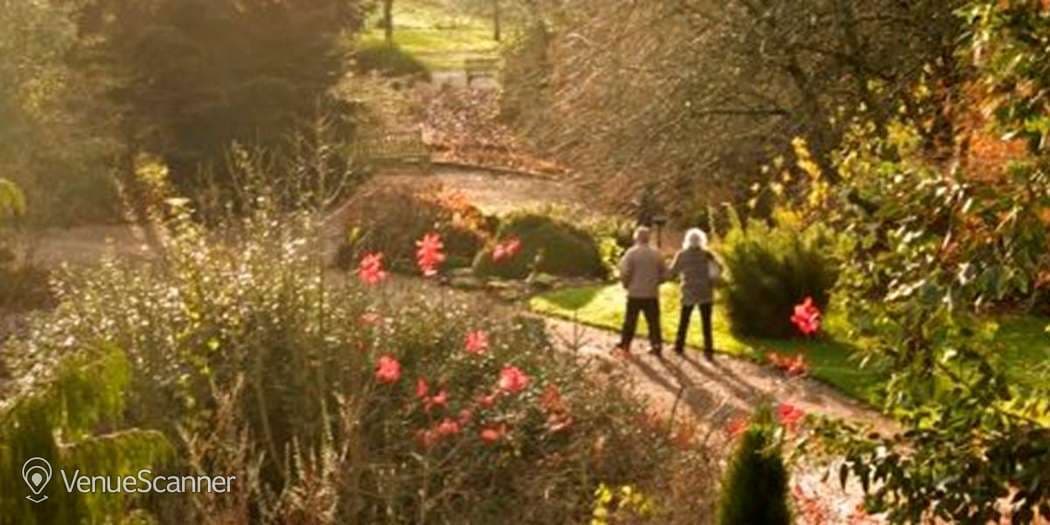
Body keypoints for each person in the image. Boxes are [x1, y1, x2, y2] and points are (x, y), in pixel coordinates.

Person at [668, 228, 721, 359]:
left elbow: (673, 271)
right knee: (706, 323)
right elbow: (720, 268)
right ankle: (708, 351)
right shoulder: (707, 254)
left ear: (687, 240)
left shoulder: (682, 254)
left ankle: (679, 346)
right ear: (702, 240)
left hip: (689, 291)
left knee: (684, 320)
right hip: (705, 291)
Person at [616, 226, 667, 356]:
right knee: (653, 321)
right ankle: (656, 345)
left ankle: (625, 344)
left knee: (630, 321)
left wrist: (626, 284)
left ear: (636, 238)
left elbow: (624, 272)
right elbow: (665, 273)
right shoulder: (657, 254)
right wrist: (657, 282)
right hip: (651, 293)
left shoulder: (631, 253)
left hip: (635, 293)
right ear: (648, 238)